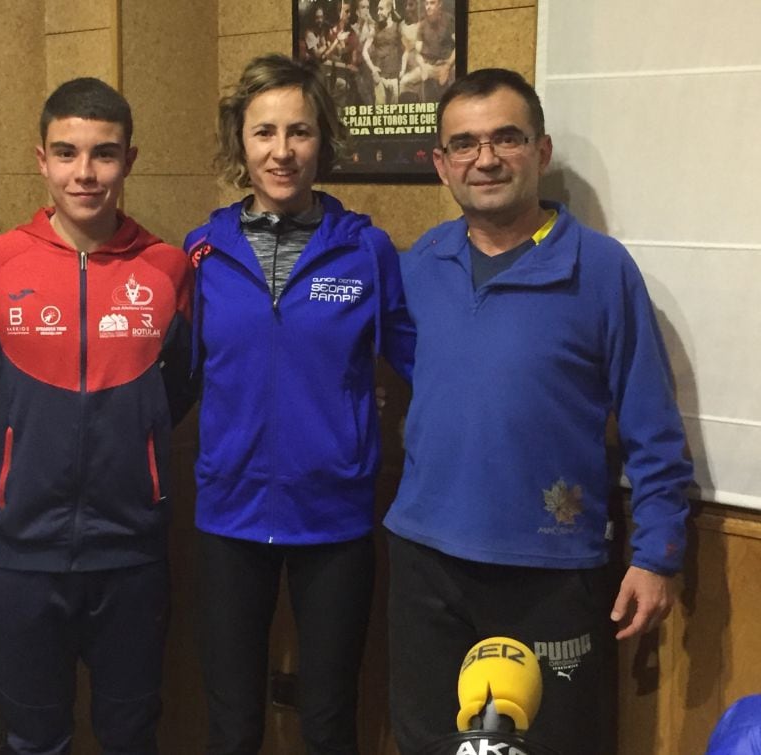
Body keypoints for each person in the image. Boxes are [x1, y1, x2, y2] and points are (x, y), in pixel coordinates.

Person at [383, 68, 693, 755]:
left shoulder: (603, 269)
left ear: (541, 151)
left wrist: (658, 554)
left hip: (551, 568)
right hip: (426, 563)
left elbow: (651, 425)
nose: (485, 159)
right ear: (441, 163)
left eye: (507, 138)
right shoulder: (420, 265)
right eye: (464, 144)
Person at [184, 54, 414, 754]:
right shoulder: (201, 252)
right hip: (229, 514)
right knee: (232, 723)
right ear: (240, 141)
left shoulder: (368, 252)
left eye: (299, 131)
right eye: (264, 132)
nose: (281, 151)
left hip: (333, 515)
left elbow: (420, 362)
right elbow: (179, 372)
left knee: (329, 718)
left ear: (323, 141)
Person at [0, 77, 194, 754]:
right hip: (23, 555)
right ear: (42, 159)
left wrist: (135, 449)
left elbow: (179, 388)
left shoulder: (168, 268)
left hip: (132, 554)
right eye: (67, 152)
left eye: (104, 153)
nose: (85, 172)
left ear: (130, 160)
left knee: (131, 735)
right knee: (33, 739)